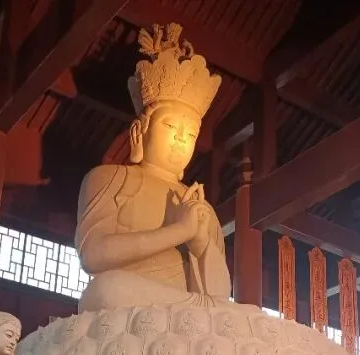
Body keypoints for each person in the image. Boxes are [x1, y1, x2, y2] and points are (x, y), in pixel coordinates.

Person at [74, 23, 238, 312]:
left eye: (190, 134)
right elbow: (92, 256)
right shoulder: (110, 178)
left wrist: (200, 242)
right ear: (139, 132)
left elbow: (220, 296)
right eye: (171, 126)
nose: (180, 138)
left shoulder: (202, 209)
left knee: (233, 311)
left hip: (190, 313)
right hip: (128, 300)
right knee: (106, 289)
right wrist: (179, 231)